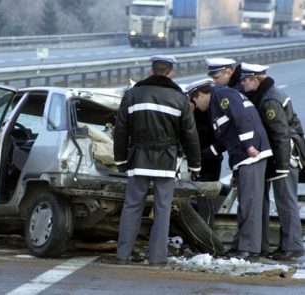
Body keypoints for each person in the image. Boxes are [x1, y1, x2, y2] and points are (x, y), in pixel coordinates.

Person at [114, 55, 201, 265]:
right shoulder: (179, 98)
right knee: (163, 209)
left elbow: (120, 130)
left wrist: (120, 161)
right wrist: (195, 163)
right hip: (167, 161)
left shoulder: (133, 94)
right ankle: (157, 258)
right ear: (171, 73)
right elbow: (190, 133)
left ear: (151, 72)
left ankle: (122, 255)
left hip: (138, 159)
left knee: (132, 206)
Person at [187, 78, 272, 259]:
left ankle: (248, 249)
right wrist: (234, 171)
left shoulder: (221, 95)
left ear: (200, 95)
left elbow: (241, 117)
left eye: (193, 102)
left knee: (250, 204)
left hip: (251, 154)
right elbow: (228, 139)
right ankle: (243, 245)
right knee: (246, 203)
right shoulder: (217, 102)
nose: (196, 107)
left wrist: (249, 145)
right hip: (243, 158)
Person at [240, 63, 304, 260]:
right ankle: (287, 245)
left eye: (245, 80)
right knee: (285, 201)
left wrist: (282, 167)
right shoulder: (266, 94)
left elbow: (280, 135)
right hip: (283, 154)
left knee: (286, 201)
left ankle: (293, 245)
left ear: (255, 80)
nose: (242, 84)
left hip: (285, 156)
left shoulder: (269, 101)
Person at [186, 79, 224, 228]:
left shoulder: (214, 108)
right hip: (199, 159)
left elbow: (223, 138)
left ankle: (206, 233)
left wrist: (206, 154)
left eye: (191, 100)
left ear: (199, 96)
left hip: (210, 160)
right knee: (199, 197)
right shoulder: (199, 111)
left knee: (205, 197)